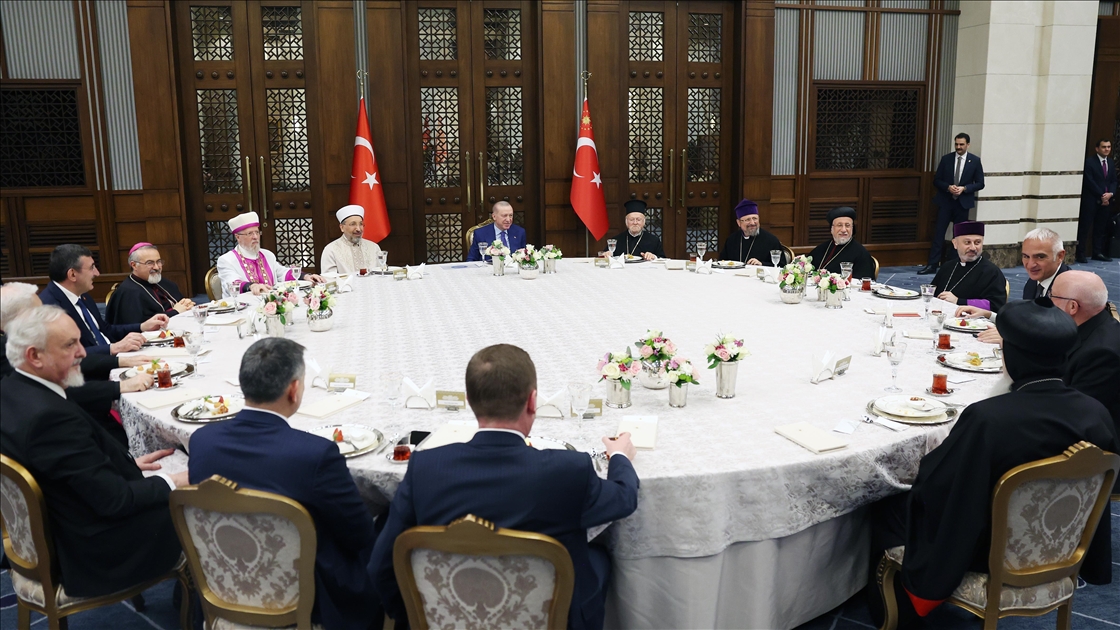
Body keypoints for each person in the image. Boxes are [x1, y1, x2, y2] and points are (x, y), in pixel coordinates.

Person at [869, 298, 1117, 627]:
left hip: (989, 551)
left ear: (1010, 356)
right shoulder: (1095, 413)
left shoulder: (988, 418)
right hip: (1062, 546)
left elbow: (939, 486)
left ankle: (899, 617)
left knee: (889, 506)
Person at [371, 344, 639, 629]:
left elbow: (381, 567)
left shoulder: (425, 468)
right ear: (533, 401)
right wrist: (619, 456)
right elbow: (624, 498)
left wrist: (417, 618)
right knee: (599, 557)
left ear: (469, 401)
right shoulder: (569, 470)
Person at [189, 337, 382, 630]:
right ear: (294, 389)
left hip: (223, 590)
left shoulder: (202, 441)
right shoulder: (314, 454)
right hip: (310, 601)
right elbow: (360, 535)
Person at [0, 304, 186, 598]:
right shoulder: (49, 418)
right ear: (34, 356)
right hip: (95, 551)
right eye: (70, 345)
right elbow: (116, 501)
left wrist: (121, 463)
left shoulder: (12, 390)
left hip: (66, 521)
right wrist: (176, 481)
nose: (82, 353)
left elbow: (62, 470)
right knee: (205, 497)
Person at [2, 283, 155, 447]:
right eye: (38, 313)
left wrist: (120, 361)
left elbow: (70, 358)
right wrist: (120, 386)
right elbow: (61, 390)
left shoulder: (16, 339)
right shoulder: (9, 351)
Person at [38, 244, 166, 355]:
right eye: (92, 268)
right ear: (72, 274)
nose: (97, 273)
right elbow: (68, 356)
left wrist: (143, 326)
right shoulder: (49, 308)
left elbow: (106, 330)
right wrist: (114, 349)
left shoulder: (82, 295)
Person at [1051, 271, 1120, 438]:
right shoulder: (1092, 324)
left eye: (1052, 296)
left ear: (1073, 307)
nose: (1048, 302)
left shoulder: (1101, 354)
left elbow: (1076, 412)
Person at [216, 212, 324, 297]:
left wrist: (305, 276)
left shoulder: (267, 255)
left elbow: (282, 272)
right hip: (242, 307)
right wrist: (252, 286)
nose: (255, 237)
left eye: (257, 232)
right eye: (250, 233)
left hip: (271, 303)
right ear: (237, 237)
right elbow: (232, 283)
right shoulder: (226, 260)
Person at [921, 132, 985, 274]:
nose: (958, 147)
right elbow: (937, 180)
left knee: (959, 236)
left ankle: (953, 265)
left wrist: (965, 188)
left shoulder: (974, 161)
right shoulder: (946, 159)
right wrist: (948, 187)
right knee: (939, 233)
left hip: (962, 203)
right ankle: (932, 264)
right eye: (956, 144)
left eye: (961, 144)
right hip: (946, 202)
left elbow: (980, 183)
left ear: (968, 145)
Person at [105, 242, 195, 325]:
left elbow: (180, 304)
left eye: (159, 261)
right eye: (150, 263)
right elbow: (140, 326)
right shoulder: (128, 292)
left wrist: (186, 304)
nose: (157, 267)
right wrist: (175, 312)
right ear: (134, 265)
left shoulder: (163, 282)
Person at [929, 221, 1007, 312]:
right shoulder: (947, 267)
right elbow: (931, 293)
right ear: (955, 244)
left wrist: (959, 301)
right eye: (967, 242)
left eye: (977, 242)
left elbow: (996, 305)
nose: (973, 248)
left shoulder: (992, 272)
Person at [1075, 138, 1116, 263]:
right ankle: (1080, 253)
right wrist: (1102, 195)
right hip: (1091, 200)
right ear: (1097, 149)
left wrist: (1110, 194)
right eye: (1104, 147)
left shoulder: (1111, 162)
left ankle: (1097, 252)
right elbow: (1089, 181)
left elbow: (1113, 180)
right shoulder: (1089, 162)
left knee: (1100, 228)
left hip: (1106, 201)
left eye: (1108, 147)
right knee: (1085, 227)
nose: (1107, 149)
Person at [806, 206, 875, 279]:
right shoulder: (821, 249)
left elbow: (864, 281)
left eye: (847, 225)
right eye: (839, 225)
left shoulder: (861, 253)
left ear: (852, 228)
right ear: (832, 229)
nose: (844, 230)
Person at [718, 199, 789, 266]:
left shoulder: (771, 240)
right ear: (739, 222)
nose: (752, 223)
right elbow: (722, 262)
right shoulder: (732, 240)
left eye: (755, 218)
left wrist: (762, 264)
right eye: (748, 220)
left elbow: (782, 265)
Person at [320, 204, 383, 275]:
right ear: (342, 227)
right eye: (353, 224)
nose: (358, 229)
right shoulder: (331, 250)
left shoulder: (374, 247)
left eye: (361, 224)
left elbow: (381, 274)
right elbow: (329, 278)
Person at [1020, 227, 1070, 300]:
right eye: (1026, 256)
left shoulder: (1070, 292)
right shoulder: (1032, 283)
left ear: (1059, 256)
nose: (1030, 265)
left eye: (1040, 257)